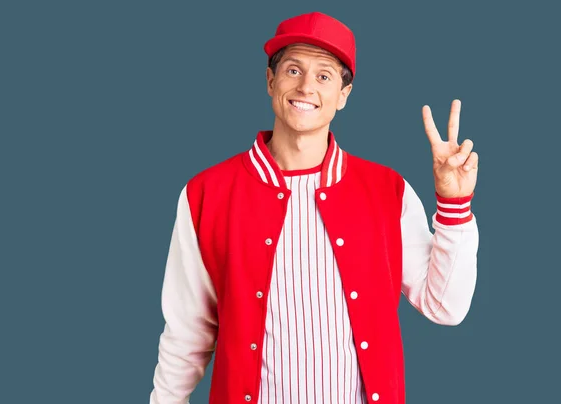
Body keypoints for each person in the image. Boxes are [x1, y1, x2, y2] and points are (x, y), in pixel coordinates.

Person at [149, 11, 479, 404]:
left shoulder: (387, 190)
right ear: (271, 81)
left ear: (343, 95)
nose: (306, 86)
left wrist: (454, 203)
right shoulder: (206, 194)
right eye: (293, 70)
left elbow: (445, 306)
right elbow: (186, 332)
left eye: (324, 75)